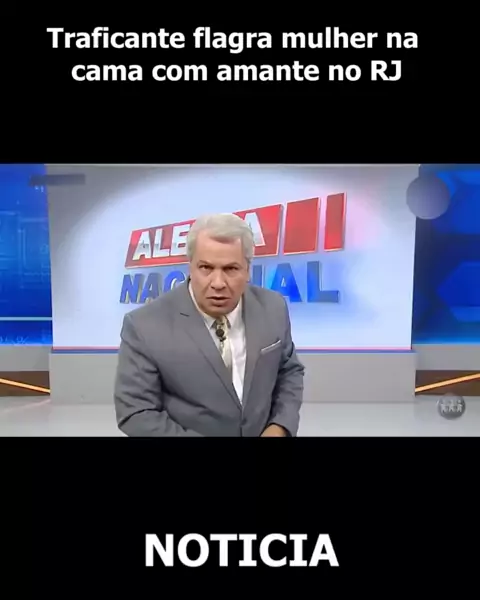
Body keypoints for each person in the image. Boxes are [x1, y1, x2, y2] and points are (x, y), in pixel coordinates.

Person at [113, 212, 305, 437]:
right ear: (190, 266)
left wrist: (280, 427)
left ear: (247, 269)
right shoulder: (144, 326)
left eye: (231, 269)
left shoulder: (273, 308)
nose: (218, 283)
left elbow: (289, 372)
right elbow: (136, 412)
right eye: (206, 268)